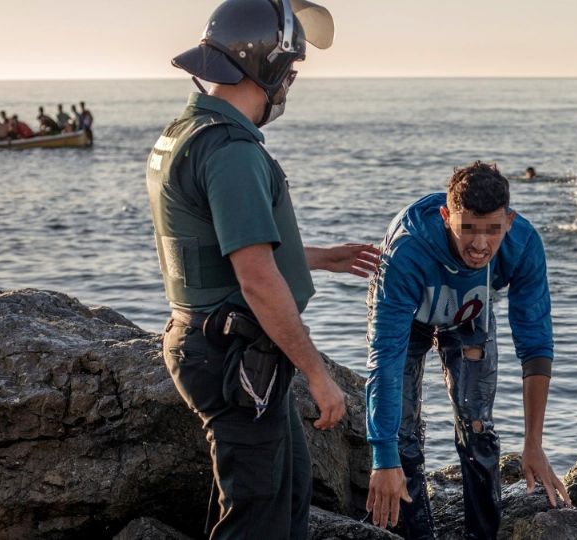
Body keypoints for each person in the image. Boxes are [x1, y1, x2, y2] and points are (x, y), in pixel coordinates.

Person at [145, 1, 365, 538]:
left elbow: (219, 247)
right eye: (289, 72)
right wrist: (319, 374)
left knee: (287, 493)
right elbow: (256, 277)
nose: (289, 85)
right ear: (268, 68)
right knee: (259, 519)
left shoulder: (188, 129)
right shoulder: (231, 149)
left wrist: (315, 257)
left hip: (209, 343)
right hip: (231, 354)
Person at [365, 161, 571, 538]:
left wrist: (534, 444)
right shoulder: (407, 250)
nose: (480, 245)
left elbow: (536, 345)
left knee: (477, 422)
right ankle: (416, 532)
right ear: (446, 217)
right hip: (408, 315)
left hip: (469, 313)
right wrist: (382, 455)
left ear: (509, 220)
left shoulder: (523, 244)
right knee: (403, 431)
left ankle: (482, 534)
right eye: (467, 229)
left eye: (493, 230)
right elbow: (385, 362)